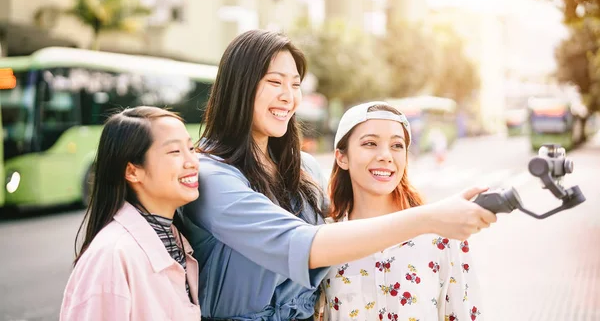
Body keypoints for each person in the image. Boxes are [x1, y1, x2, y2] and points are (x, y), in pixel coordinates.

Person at [182, 29, 496, 321]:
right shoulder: (211, 177)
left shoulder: (304, 170)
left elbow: (348, 229)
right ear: (239, 86)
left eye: (295, 84)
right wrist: (430, 218)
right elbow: (304, 245)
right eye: (275, 82)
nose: (288, 96)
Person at [321, 101, 483, 320]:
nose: (386, 156)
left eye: (397, 146)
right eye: (370, 143)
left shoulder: (441, 234)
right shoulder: (324, 241)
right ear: (342, 157)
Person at [60, 107, 201, 321]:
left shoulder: (175, 239)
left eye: (191, 148)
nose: (192, 161)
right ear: (133, 171)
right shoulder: (112, 255)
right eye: (174, 152)